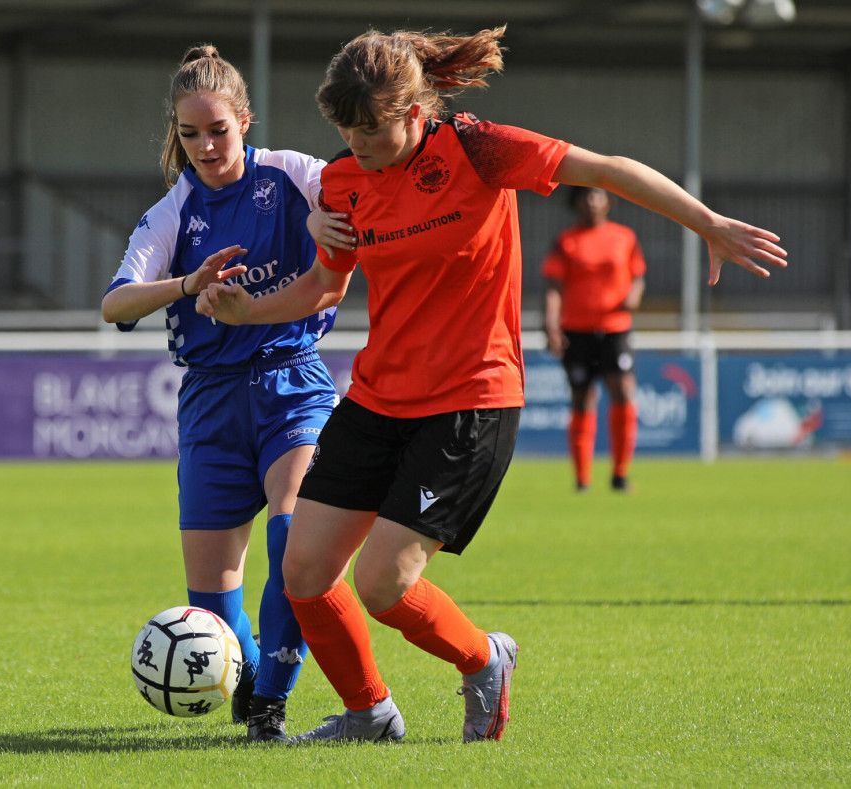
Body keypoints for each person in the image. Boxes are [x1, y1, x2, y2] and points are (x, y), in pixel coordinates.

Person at [197, 26, 787, 744]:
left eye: (374, 130)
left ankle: (484, 660)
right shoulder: (345, 182)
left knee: (382, 583)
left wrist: (707, 223)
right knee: (305, 569)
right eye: (349, 132)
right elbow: (325, 287)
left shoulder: (477, 148)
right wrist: (249, 310)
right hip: (378, 397)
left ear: (416, 113)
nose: (360, 147)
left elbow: (605, 169)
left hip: (470, 401)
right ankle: (370, 712)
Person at [100, 45, 340, 742]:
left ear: (244, 120)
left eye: (217, 130)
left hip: (293, 381)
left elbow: (359, 195)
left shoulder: (294, 175)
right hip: (210, 402)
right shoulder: (174, 210)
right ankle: (256, 678)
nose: (205, 146)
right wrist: (187, 284)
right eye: (189, 133)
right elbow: (116, 303)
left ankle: (269, 703)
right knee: (210, 607)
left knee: (294, 539)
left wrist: (333, 222)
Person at [543, 186, 646, 493]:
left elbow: (638, 275)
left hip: (615, 328)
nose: (591, 201)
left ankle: (620, 474)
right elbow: (554, 288)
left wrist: (635, 296)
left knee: (623, 391)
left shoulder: (624, 237)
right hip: (577, 331)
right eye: (585, 196)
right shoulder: (566, 242)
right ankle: (582, 479)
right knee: (582, 397)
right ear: (576, 204)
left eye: (597, 195)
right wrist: (551, 326)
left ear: (608, 201)